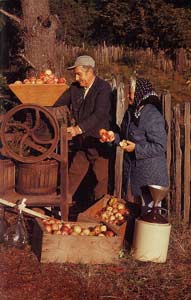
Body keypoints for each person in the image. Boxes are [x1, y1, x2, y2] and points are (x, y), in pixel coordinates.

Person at [100, 77, 169, 216]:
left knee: (150, 214)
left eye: (130, 92)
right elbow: (125, 136)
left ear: (140, 94)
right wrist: (113, 137)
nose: (128, 96)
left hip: (151, 175)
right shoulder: (131, 112)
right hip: (135, 172)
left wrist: (136, 149)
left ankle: (150, 238)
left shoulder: (152, 115)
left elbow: (160, 146)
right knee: (136, 212)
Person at [54, 55, 113, 203]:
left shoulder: (103, 88)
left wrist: (77, 129)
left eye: (79, 73)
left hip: (99, 144)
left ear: (90, 71)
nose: (76, 77)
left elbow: (100, 114)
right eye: (75, 74)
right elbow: (57, 101)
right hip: (83, 144)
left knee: (101, 181)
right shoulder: (75, 88)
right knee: (72, 177)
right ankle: (60, 207)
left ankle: (99, 214)